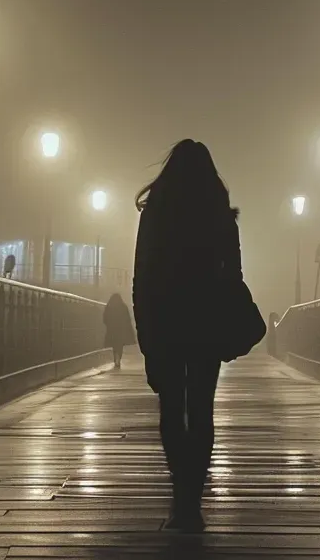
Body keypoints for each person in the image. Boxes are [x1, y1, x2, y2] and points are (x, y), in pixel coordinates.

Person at [132, 139, 242, 532]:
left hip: (165, 322)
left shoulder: (156, 217)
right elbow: (235, 278)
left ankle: (181, 492)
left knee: (170, 408)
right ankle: (192, 499)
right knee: (201, 409)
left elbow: (141, 278)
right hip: (206, 323)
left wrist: (145, 335)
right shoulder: (221, 218)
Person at [102, 292, 135, 369]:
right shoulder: (123, 306)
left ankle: (115, 359)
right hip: (121, 330)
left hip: (112, 330)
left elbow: (105, 318)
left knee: (114, 345)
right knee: (120, 345)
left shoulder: (109, 306)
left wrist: (109, 325)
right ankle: (118, 359)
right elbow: (127, 319)